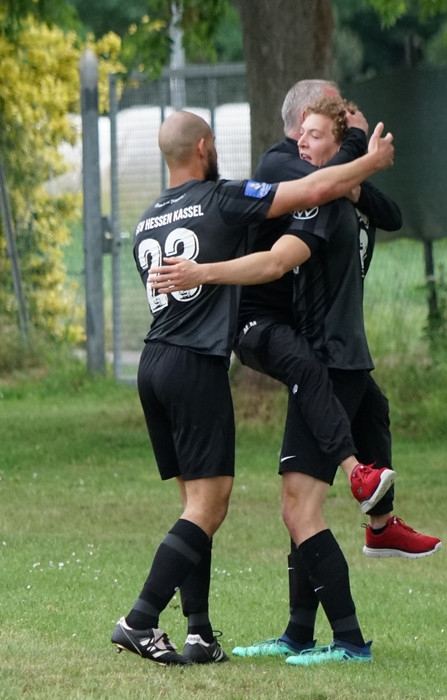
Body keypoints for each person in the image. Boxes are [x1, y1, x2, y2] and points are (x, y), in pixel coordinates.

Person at [111, 109, 395, 666]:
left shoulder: (146, 220)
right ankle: (139, 620)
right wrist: (369, 160)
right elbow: (313, 189)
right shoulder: (221, 197)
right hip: (195, 366)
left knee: (194, 508)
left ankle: (198, 633)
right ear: (204, 146)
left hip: (153, 364)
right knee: (207, 508)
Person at [237, 79, 441, 561]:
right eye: (334, 113)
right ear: (305, 120)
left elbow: (389, 214)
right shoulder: (282, 164)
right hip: (292, 333)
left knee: (373, 408)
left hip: (338, 341)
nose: (346, 117)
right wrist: (357, 142)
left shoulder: (336, 180)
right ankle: (360, 487)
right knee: (301, 505)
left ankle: (382, 524)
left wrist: (354, 183)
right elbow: (319, 192)